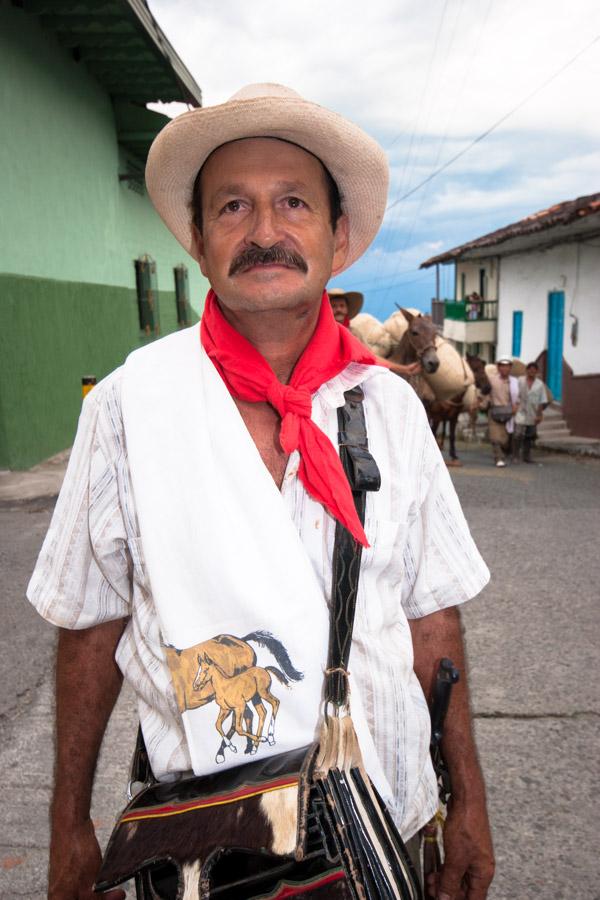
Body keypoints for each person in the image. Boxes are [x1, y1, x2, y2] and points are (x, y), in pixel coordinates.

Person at [27, 83, 494, 900]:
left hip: (389, 820)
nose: (266, 231)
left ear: (336, 236)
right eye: (234, 207)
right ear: (200, 243)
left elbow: (433, 617)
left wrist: (468, 799)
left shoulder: (390, 408)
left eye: (294, 204)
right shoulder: (130, 408)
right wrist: (69, 823)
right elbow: (88, 628)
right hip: (209, 843)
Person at [486, 355, 519, 468]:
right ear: (498, 367)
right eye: (502, 366)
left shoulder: (514, 382)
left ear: (510, 368)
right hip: (494, 411)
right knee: (495, 437)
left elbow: (519, 397)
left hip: (509, 413)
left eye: (507, 366)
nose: (505, 369)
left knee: (504, 439)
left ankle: (505, 453)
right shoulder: (492, 380)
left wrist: (516, 406)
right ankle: (498, 458)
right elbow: (485, 393)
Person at [514, 361, 547, 463]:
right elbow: (514, 393)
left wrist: (539, 415)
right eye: (530, 370)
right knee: (518, 434)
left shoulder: (540, 384)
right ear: (526, 370)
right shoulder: (520, 381)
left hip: (533, 412)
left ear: (536, 372)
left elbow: (542, 400)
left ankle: (526, 456)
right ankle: (515, 455)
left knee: (530, 434)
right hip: (520, 410)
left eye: (534, 370)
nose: (531, 372)